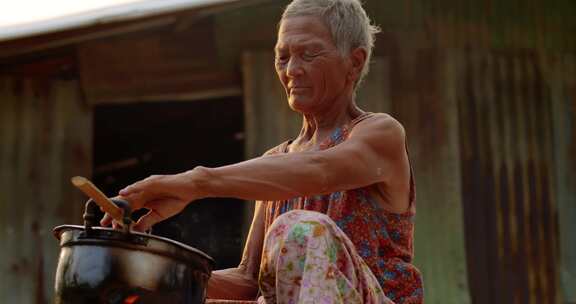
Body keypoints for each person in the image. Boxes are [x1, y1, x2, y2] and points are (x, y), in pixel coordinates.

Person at [103, 0, 423, 303]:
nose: (292, 70)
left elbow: (320, 171)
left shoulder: (381, 134)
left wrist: (196, 182)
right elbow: (251, 281)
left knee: (300, 229)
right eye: (282, 57)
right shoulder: (275, 163)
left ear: (355, 62)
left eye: (309, 55)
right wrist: (154, 272)